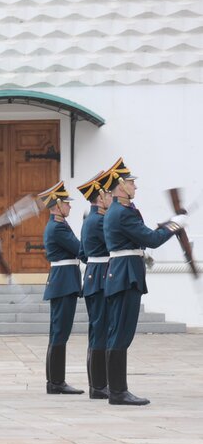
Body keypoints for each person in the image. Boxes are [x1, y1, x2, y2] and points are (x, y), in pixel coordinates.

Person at [102, 158, 185, 405]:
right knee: (121, 334)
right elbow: (151, 239)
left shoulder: (121, 211)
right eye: (130, 183)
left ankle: (117, 389)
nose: (135, 187)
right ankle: (118, 391)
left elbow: (140, 235)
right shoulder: (122, 213)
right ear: (120, 186)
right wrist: (174, 225)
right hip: (126, 274)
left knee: (119, 332)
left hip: (123, 272)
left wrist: (165, 227)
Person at [39, 181, 84, 395]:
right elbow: (79, 249)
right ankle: (56, 382)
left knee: (59, 332)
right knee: (59, 333)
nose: (69, 207)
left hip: (64, 281)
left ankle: (55, 381)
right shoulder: (57, 227)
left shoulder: (59, 225)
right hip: (64, 283)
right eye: (66, 203)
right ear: (57, 205)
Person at [76, 170, 113, 399]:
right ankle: (99, 386)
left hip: (93, 274)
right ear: (100, 197)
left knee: (97, 331)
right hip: (100, 278)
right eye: (108, 194)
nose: (112, 197)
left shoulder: (90, 219)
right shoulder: (99, 220)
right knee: (101, 331)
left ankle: (97, 384)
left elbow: (82, 253)